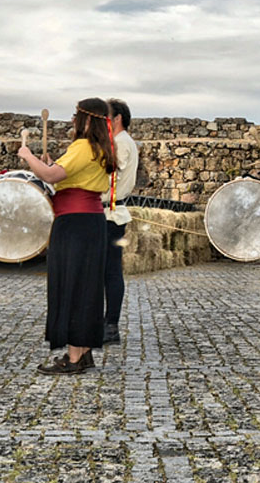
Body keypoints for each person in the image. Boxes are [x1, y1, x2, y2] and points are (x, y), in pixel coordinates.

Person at [18, 98, 115, 375]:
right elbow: (65, 174)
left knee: (72, 284)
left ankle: (73, 358)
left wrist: (28, 156)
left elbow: (50, 176)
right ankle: (82, 353)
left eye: (76, 116)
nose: (72, 120)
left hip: (74, 223)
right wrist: (48, 164)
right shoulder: (100, 147)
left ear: (87, 120)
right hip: (90, 222)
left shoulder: (83, 146)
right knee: (86, 285)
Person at [102, 98, 139, 344]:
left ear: (117, 119)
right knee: (108, 271)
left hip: (110, 214)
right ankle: (106, 323)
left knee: (111, 272)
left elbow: (108, 172)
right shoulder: (118, 142)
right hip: (107, 213)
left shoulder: (120, 143)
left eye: (106, 117)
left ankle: (110, 325)